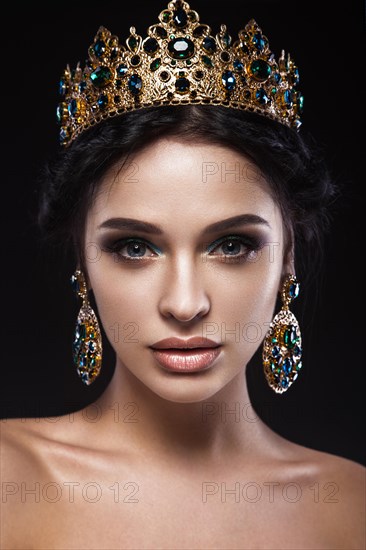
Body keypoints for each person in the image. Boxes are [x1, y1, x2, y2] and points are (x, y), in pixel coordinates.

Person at [1, 1, 365, 548]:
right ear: (82, 260)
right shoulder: (10, 480)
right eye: (134, 247)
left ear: (288, 255)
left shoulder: (350, 508)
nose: (185, 302)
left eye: (232, 244)